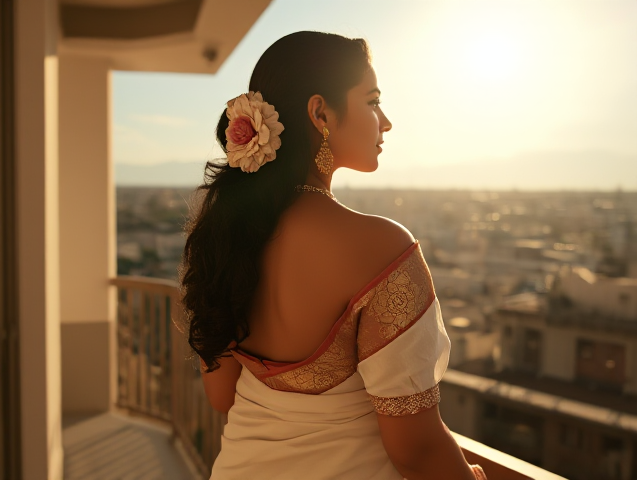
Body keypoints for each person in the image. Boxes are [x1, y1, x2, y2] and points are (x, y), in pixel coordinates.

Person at [180, 31, 487, 480]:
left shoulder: (226, 235)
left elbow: (221, 396)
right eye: (372, 101)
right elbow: (416, 449)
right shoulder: (381, 248)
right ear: (320, 112)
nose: (385, 121)